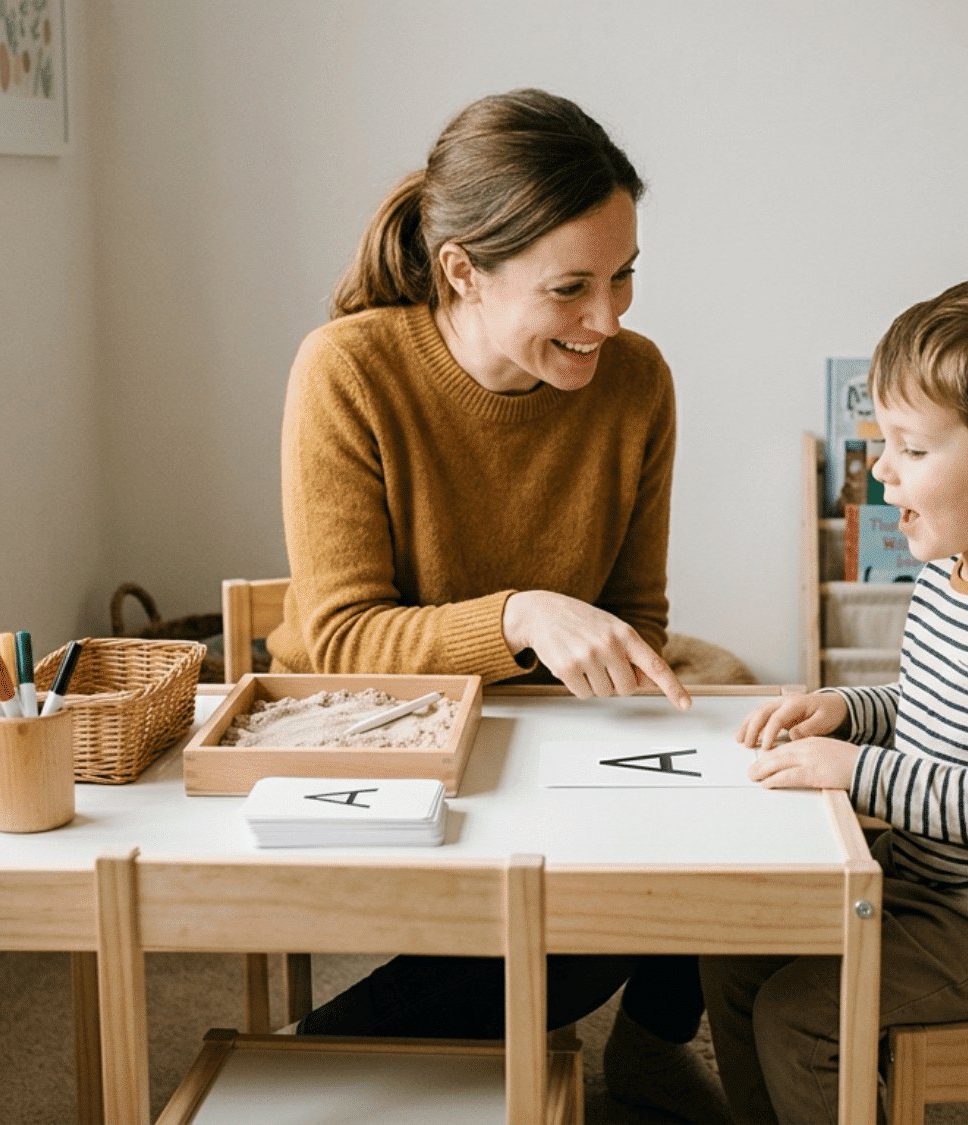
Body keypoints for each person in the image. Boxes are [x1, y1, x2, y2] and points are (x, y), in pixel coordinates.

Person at [272, 88, 727, 1122]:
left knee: (721, 834)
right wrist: (520, 613)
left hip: (545, 735)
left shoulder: (636, 382)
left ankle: (650, 1047)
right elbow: (340, 641)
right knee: (594, 928)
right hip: (369, 738)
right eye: (570, 288)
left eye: (623, 278)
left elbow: (634, 620)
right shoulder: (347, 370)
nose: (607, 318)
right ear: (462, 274)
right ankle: (308, 1068)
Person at [700, 273, 968, 1124]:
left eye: (910, 448)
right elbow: (931, 704)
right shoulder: (949, 575)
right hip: (935, 887)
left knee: (802, 1014)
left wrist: (858, 771)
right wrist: (845, 710)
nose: (881, 468)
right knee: (736, 950)